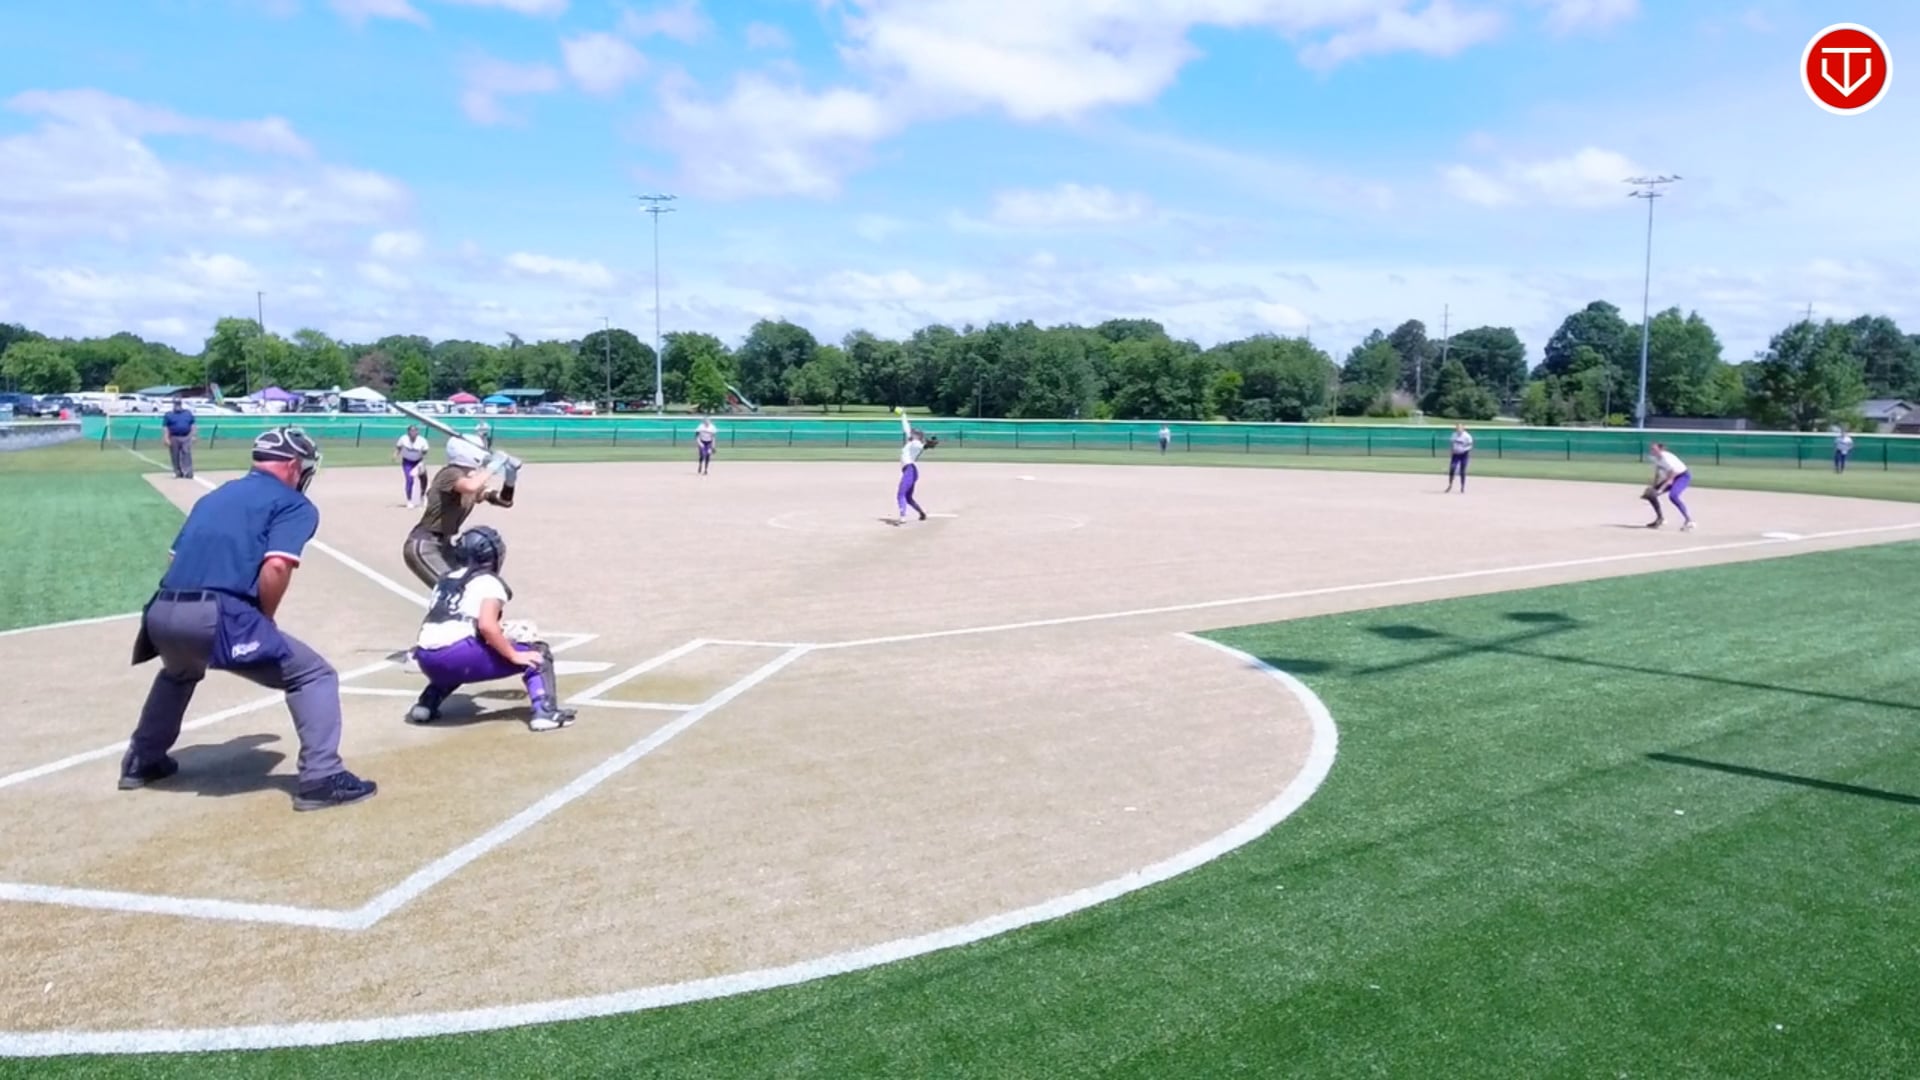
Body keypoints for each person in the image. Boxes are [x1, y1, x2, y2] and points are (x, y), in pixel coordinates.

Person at [121, 428, 377, 812]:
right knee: (314, 675)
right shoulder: (293, 504)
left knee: (178, 672)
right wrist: (263, 619)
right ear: (293, 465)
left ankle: (142, 760)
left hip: (161, 612)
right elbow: (276, 566)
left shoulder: (214, 496)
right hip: (215, 614)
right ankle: (322, 778)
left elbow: (175, 558)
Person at [405, 526, 576, 732]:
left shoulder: (445, 580)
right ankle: (545, 712)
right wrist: (513, 654)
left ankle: (426, 704)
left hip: (426, 658)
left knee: (454, 657)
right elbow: (486, 626)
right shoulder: (489, 582)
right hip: (458, 657)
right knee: (539, 654)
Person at [402, 434, 516, 588]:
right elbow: (470, 486)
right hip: (425, 544)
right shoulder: (450, 473)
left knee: (473, 587)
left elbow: (504, 501)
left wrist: (510, 477)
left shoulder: (470, 479)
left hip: (446, 546)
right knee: (454, 591)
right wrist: (493, 466)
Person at [893, 408, 938, 523]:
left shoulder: (916, 443)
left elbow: (924, 446)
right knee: (908, 497)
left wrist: (929, 444)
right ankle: (921, 513)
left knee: (900, 494)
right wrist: (903, 414)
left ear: (918, 437)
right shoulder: (911, 441)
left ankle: (902, 516)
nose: (912, 433)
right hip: (910, 471)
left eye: (914, 433)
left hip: (910, 470)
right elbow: (906, 427)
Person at [1641, 442, 1694, 531]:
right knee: (1651, 494)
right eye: (1652, 449)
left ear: (1661, 449)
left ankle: (1689, 521)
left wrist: (1661, 489)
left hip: (1682, 476)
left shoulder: (1666, 458)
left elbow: (1672, 474)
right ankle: (1660, 519)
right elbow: (1658, 472)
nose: (1652, 451)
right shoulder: (1656, 458)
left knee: (1673, 496)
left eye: (1654, 449)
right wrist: (1654, 486)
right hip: (1672, 476)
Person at [394, 424, 431, 508]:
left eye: (415, 431)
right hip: (407, 462)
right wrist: (395, 455)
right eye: (411, 431)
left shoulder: (422, 441)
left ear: (417, 432)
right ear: (408, 432)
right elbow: (399, 447)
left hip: (419, 462)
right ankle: (409, 500)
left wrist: (422, 463)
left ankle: (422, 496)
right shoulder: (403, 439)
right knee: (409, 480)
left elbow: (425, 454)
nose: (413, 432)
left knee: (423, 479)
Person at [161, 398, 196, 479]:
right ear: (173, 405)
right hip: (174, 437)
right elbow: (165, 427)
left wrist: (193, 435)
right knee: (175, 455)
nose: (177, 406)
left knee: (186, 453)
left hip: (186, 436)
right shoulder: (169, 415)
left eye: (179, 404)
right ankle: (178, 472)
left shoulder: (187, 413)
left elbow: (193, 425)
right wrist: (166, 438)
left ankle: (188, 472)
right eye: (176, 404)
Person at [1445, 424, 1473, 493]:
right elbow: (1452, 443)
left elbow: (1470, 445)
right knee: (1452, 468)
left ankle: (1462, 487)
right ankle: (1450, 484)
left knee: (1462, 471)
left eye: (1460, 428)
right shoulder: (1454, 435)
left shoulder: (1467, 436)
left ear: (1463, 429)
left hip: (1464, 455)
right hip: (1455, 454)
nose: (1458, 430)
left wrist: (1464, 449)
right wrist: (1451, 451)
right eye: (1457, 428)